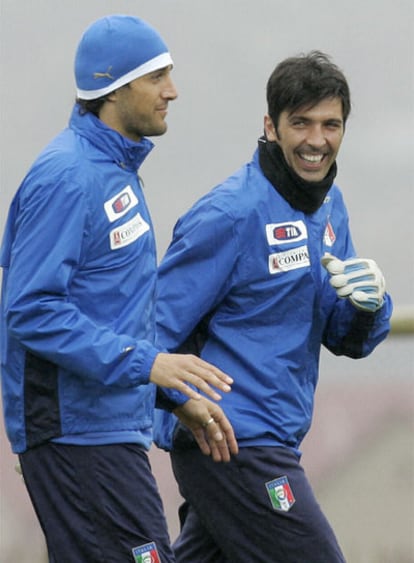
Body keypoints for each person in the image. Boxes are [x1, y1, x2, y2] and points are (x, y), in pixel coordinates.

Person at [0, 15, 237, 563]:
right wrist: (147, 364)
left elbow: (114, 310)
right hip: (74, 434)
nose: (172, 91)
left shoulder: (114, 171)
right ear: (114, 87)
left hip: (108, 427)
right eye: (156, 77)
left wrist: (173, 399)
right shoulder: (68, 176)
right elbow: (32, 311)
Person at [153, 51, 393, 562]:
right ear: (271, 126)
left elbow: (341, 334)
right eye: (300, 122)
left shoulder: (330, 206)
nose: (316, 140)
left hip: (274, 436)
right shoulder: (230, 214)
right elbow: (152, 329)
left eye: (331, 124)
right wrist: (180, 408)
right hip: (231, 441)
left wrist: (370, 309)